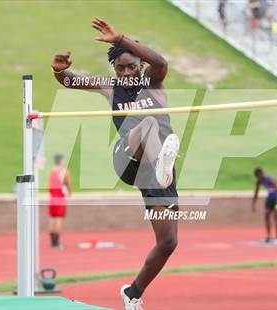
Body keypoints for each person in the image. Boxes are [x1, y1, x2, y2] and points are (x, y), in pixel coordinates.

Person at [51, 17, 180, 309]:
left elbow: (159, 61)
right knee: (147, 123)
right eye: (120, 67)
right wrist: (59, 71)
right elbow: (71, 81)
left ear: (140, 66)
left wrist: (120, 38)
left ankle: (132, 292)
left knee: (168, 241)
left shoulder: (155, 82)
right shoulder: (111, 88)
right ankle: (162, 159)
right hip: (127, 158)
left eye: (131, 66)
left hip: (156, 173)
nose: (125, 72)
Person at [252, 168, 277, 243]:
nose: (258, 178)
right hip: (269, 199)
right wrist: (253, 204)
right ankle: (269, 235)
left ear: (261, 174)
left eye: (258, 176)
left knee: (276, 215)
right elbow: (256, 193)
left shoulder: (269, 178)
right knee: (267, 215)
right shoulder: (259, 181)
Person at [48, 154, 72, 249]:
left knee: (52, 219)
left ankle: (52, 241)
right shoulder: (64, 172)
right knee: (58, 219)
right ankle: (56, 243)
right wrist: (70, 192)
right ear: (61, 161)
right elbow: (68, 184)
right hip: (60, 197)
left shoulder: (52, 170)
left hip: (52, 197)